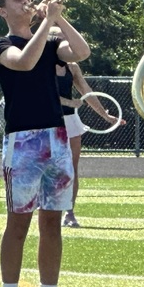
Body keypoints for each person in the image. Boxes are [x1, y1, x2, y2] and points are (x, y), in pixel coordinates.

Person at [0, 0, 90, 287]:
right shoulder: (1, 44)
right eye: (17, 0)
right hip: (22, 141)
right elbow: (24, 61)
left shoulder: (50, 41)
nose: (26, 3)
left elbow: (81, 52)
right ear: (3, 10)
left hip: (56, 137)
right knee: (18, 224)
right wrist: (48, 23)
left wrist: (59, 20)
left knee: (52, 224)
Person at [56, 59, 125, 228]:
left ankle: (69, 213)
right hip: (46, 121)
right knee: (48, 169)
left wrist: (106, 116)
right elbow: (43, 93)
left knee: (71, 169)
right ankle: (49, 211)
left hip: (70, 121)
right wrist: (69, 102)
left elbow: (87, 92)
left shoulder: (71, 67)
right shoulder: (40, 63)